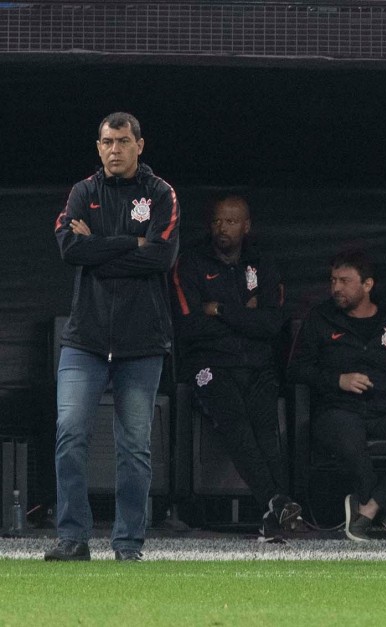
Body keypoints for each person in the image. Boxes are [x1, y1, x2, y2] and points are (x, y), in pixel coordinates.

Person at [46, 112, 180, 561]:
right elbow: (69, 248)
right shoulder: (83, 192)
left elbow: (161, 258)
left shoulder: (161, 193)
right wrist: (130, 243)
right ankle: (73, 538)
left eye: (122, 141)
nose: (114, 150)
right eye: (106, 142)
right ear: (98, 146)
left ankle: (127, 544)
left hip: (141, 343)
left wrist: (99, 246)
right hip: (84, 339)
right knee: (69, 435)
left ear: (140, 145)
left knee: (134, 448)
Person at [171, 195, 301, 538]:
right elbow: (189, 326)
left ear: (246, 226)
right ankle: (276, 501)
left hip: (257, 365)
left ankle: (275, 513)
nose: (221, 228)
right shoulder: (191, 263)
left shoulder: (263, 265)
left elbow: (273, 324)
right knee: (236, 421)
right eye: (216, 221)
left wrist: (221, 310)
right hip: (209, 365)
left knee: (266, 430)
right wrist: (247, 313)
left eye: (230, 222)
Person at [290, 250, 386, 541]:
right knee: (350, 436)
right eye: (333, 280)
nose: (336, 288)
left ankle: (369, 507)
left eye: (345, 281)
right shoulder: (320, 317)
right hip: (337, 410)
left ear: (368, 284)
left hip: (384, 409)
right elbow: (297, 370)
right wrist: (338, 380)